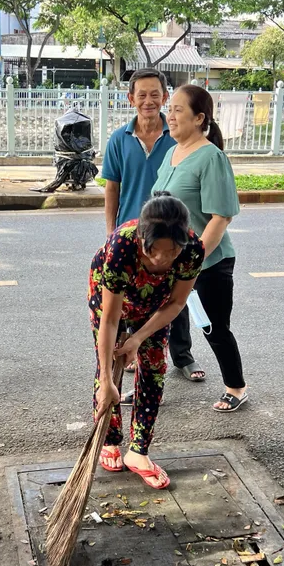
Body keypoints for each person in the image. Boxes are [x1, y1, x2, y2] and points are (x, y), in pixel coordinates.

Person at [90, 192, 204, 489]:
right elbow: (111, 319)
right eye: (154, 251)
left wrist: (138, 338)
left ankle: (138, 451)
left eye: (171, 253)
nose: (162, 259)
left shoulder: (193, 250)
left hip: (158, 303)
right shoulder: (121, 246)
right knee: (108, 367)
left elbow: (177, 303)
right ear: (141, 238)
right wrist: (106, 378)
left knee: (153, 368)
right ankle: (110, 439)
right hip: (112, 298)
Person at [151, 85, 246, 413]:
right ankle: (149, 387)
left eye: (178, 109)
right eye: (170, 108)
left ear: (200, 118)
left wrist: (193, 261)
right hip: (167, 262)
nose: (170, 115)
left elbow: (221, 217)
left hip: (208, 264)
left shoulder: (211, 157)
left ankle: (236, 386)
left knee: (213, 327)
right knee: (155, 325)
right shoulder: (171, 153)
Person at [101, 70, 189, 390]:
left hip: (168, 234)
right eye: (142, 95)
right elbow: (113, 187)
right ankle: (132, 350)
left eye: (155, 94)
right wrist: (111, 232)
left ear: (165, 97)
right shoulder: (119, 139)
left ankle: (183, 355)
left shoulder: (177, 136)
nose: (149, 101)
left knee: (173, 297)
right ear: (131, 99)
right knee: (130, 300)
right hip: (132, 236)